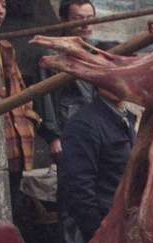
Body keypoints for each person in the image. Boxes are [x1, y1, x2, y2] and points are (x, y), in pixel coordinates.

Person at [58, 88, 136, 243]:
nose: (118, 84)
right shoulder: (83, 125)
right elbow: (78, 187)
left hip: (127, 225)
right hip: (106, 228)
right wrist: (98, 233)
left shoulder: (126, 118)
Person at [38, 0, 99, 164]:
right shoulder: (51, 54)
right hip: (69, 126)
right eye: (79, 19)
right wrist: (53, 137)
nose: (86, 25)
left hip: (98, 126)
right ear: (64, 21)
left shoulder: (97, 51)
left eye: (90, 18)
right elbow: (44, 97)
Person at [0, 0, 41, 220]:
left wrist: (28, 119)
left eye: (3, 5)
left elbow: (20, 91)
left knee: (14, 204)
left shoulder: (5, 47)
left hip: (17, 139)